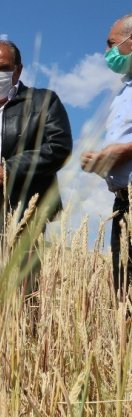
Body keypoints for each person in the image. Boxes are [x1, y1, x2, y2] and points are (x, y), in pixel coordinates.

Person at [0, 39, 73, 233]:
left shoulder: (43, 102)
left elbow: (59, 148)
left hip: (21, 203)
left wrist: (10, 168)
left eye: (2, 68)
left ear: (18, 70)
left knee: (19, 262)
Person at [81, 14, 132, 296]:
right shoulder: (124, 90)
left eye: (111, 44)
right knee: (123, 296)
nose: (107, 52)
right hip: (123, 202)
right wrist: (101, 160)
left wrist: (124, 151)